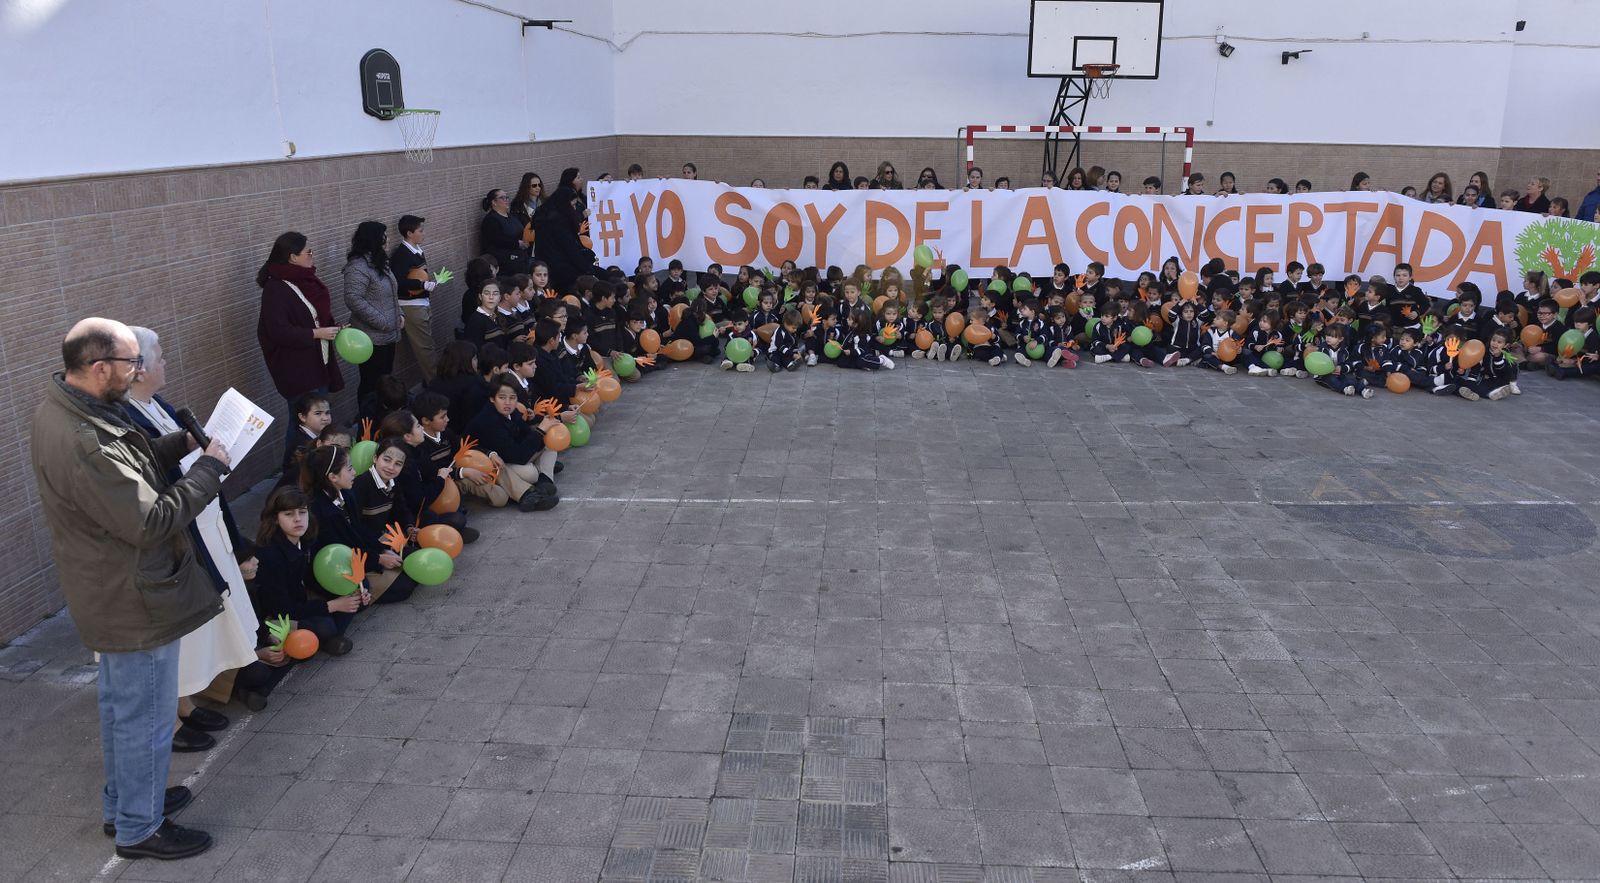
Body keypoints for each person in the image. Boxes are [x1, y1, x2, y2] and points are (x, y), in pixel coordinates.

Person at [32, 318, 232, 860]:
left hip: (112, 589)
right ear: (100, 369)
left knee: (125, 709)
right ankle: (139, 829)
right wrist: (210, 467)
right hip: (132, 596)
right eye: (130, 364)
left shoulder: (72, 407)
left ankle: (126, 806)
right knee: (143, 715)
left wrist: (180, 445)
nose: (138, 371)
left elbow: (130, 474)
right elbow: (149, 520)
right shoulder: (85, 440)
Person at [123, 326, 258, 752]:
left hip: (204, 519)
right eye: (159, 357)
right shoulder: (126, 418)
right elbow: (157, 479)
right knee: (183, 632)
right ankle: (174, 716)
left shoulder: (156, 403)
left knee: (211, 619)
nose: (166, 362)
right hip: (179, 533)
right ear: (139, 368)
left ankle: (185, 703)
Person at [256, 232, 344, 458]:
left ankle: (318, 465)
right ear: (292, 257)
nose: (312, 256)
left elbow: (315, 314)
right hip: (298, 369)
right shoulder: (276, 288)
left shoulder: (305, 280)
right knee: (302, 424)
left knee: (319, 422)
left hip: (318, 363)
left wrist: (333, 328)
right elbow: (278, 331)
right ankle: (294, 470)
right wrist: (316, 333)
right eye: (308, 252)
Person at [341, 221, 403, 401]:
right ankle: (368, 424)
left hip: (389, 333)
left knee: (385, 381)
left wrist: (400, 314)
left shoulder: (380, 261)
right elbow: (353, 298)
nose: (388, 240)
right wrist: (382, 321)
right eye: (384, 236)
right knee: (371, 384)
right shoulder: (358, 266)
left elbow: (391, 292)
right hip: (371, 338)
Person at [532, 168, 603, 293]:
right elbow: (570, 250)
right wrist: (588, 269)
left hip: (558, 266)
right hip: (561, 272)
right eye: (573, 205)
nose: (575, 209)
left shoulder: (551, 217)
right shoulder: (558, 223)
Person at [388, 214, 439, 382]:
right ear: (409, 233)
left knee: (429, 346)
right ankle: (435, 385)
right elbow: (398, 282)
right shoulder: (402, 255)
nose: (423, 234)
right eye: (420, 231)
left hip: (422, 304)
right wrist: (421, 285)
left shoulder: (417, 251)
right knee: (425, 350)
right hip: (411, 306)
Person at [480, 188, 532, 274]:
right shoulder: (491, 220)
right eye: (502, 198)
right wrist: (518, 243)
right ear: (494, 202)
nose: (506, 200)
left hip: (520, 259)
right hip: (505, 264)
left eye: (507, 197)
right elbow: (496, 239)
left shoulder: (511, 216)